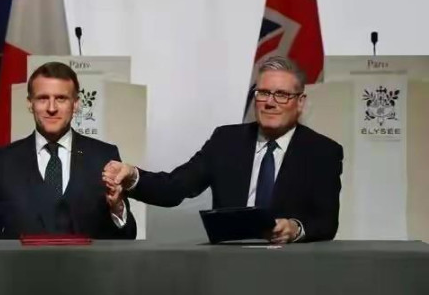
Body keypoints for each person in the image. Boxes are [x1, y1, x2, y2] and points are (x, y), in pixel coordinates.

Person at [103, 56, 343, 243]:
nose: (270, 102)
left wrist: (295, 228)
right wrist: (132, 175)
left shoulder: (323, 152)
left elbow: (326, 222)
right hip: (229, 265)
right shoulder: (226, 141)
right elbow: (174, 187)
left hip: (292, 267)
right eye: (263, 93)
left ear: (300, 102)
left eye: (281, 94)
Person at [0, 62, 136, 239]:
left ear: (76, 104)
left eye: (61, 98)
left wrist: (118, 208)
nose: (51, 108)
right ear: (29, 103)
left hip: (88, 268)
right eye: (43, 98)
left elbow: (127, 236)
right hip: (22, 268)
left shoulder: (103, 156)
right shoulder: (4, 161)